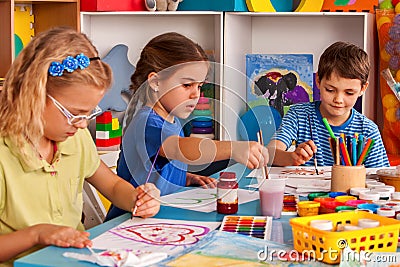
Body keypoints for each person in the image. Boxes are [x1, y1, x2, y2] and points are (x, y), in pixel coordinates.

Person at [0, 27, 160, 265]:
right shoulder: (5, 153)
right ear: (33, 93)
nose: (83, 124)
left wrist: (138, 199)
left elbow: (114, 186)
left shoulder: (75, 137)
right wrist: (36, 235)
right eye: (74, 113)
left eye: (89, 113)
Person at [105, 32, 269, 221]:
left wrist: (185, 177)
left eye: (199, 86)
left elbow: (158, 166)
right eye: (187, 85)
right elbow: (178, 148)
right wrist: (233, 148)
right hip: (127, 222)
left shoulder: (172, 120)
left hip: (159, 219)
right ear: (155, 82)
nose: (195, 94)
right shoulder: (146, 122)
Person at [267, 41, 390, 168]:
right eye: (330, 90)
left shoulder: (368, 130)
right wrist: (292, 157)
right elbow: (270, 153)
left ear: (363, 89)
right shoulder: (299, 115)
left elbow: (379, 179)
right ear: (318, 81)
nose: (338, 99)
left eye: (349, 93)